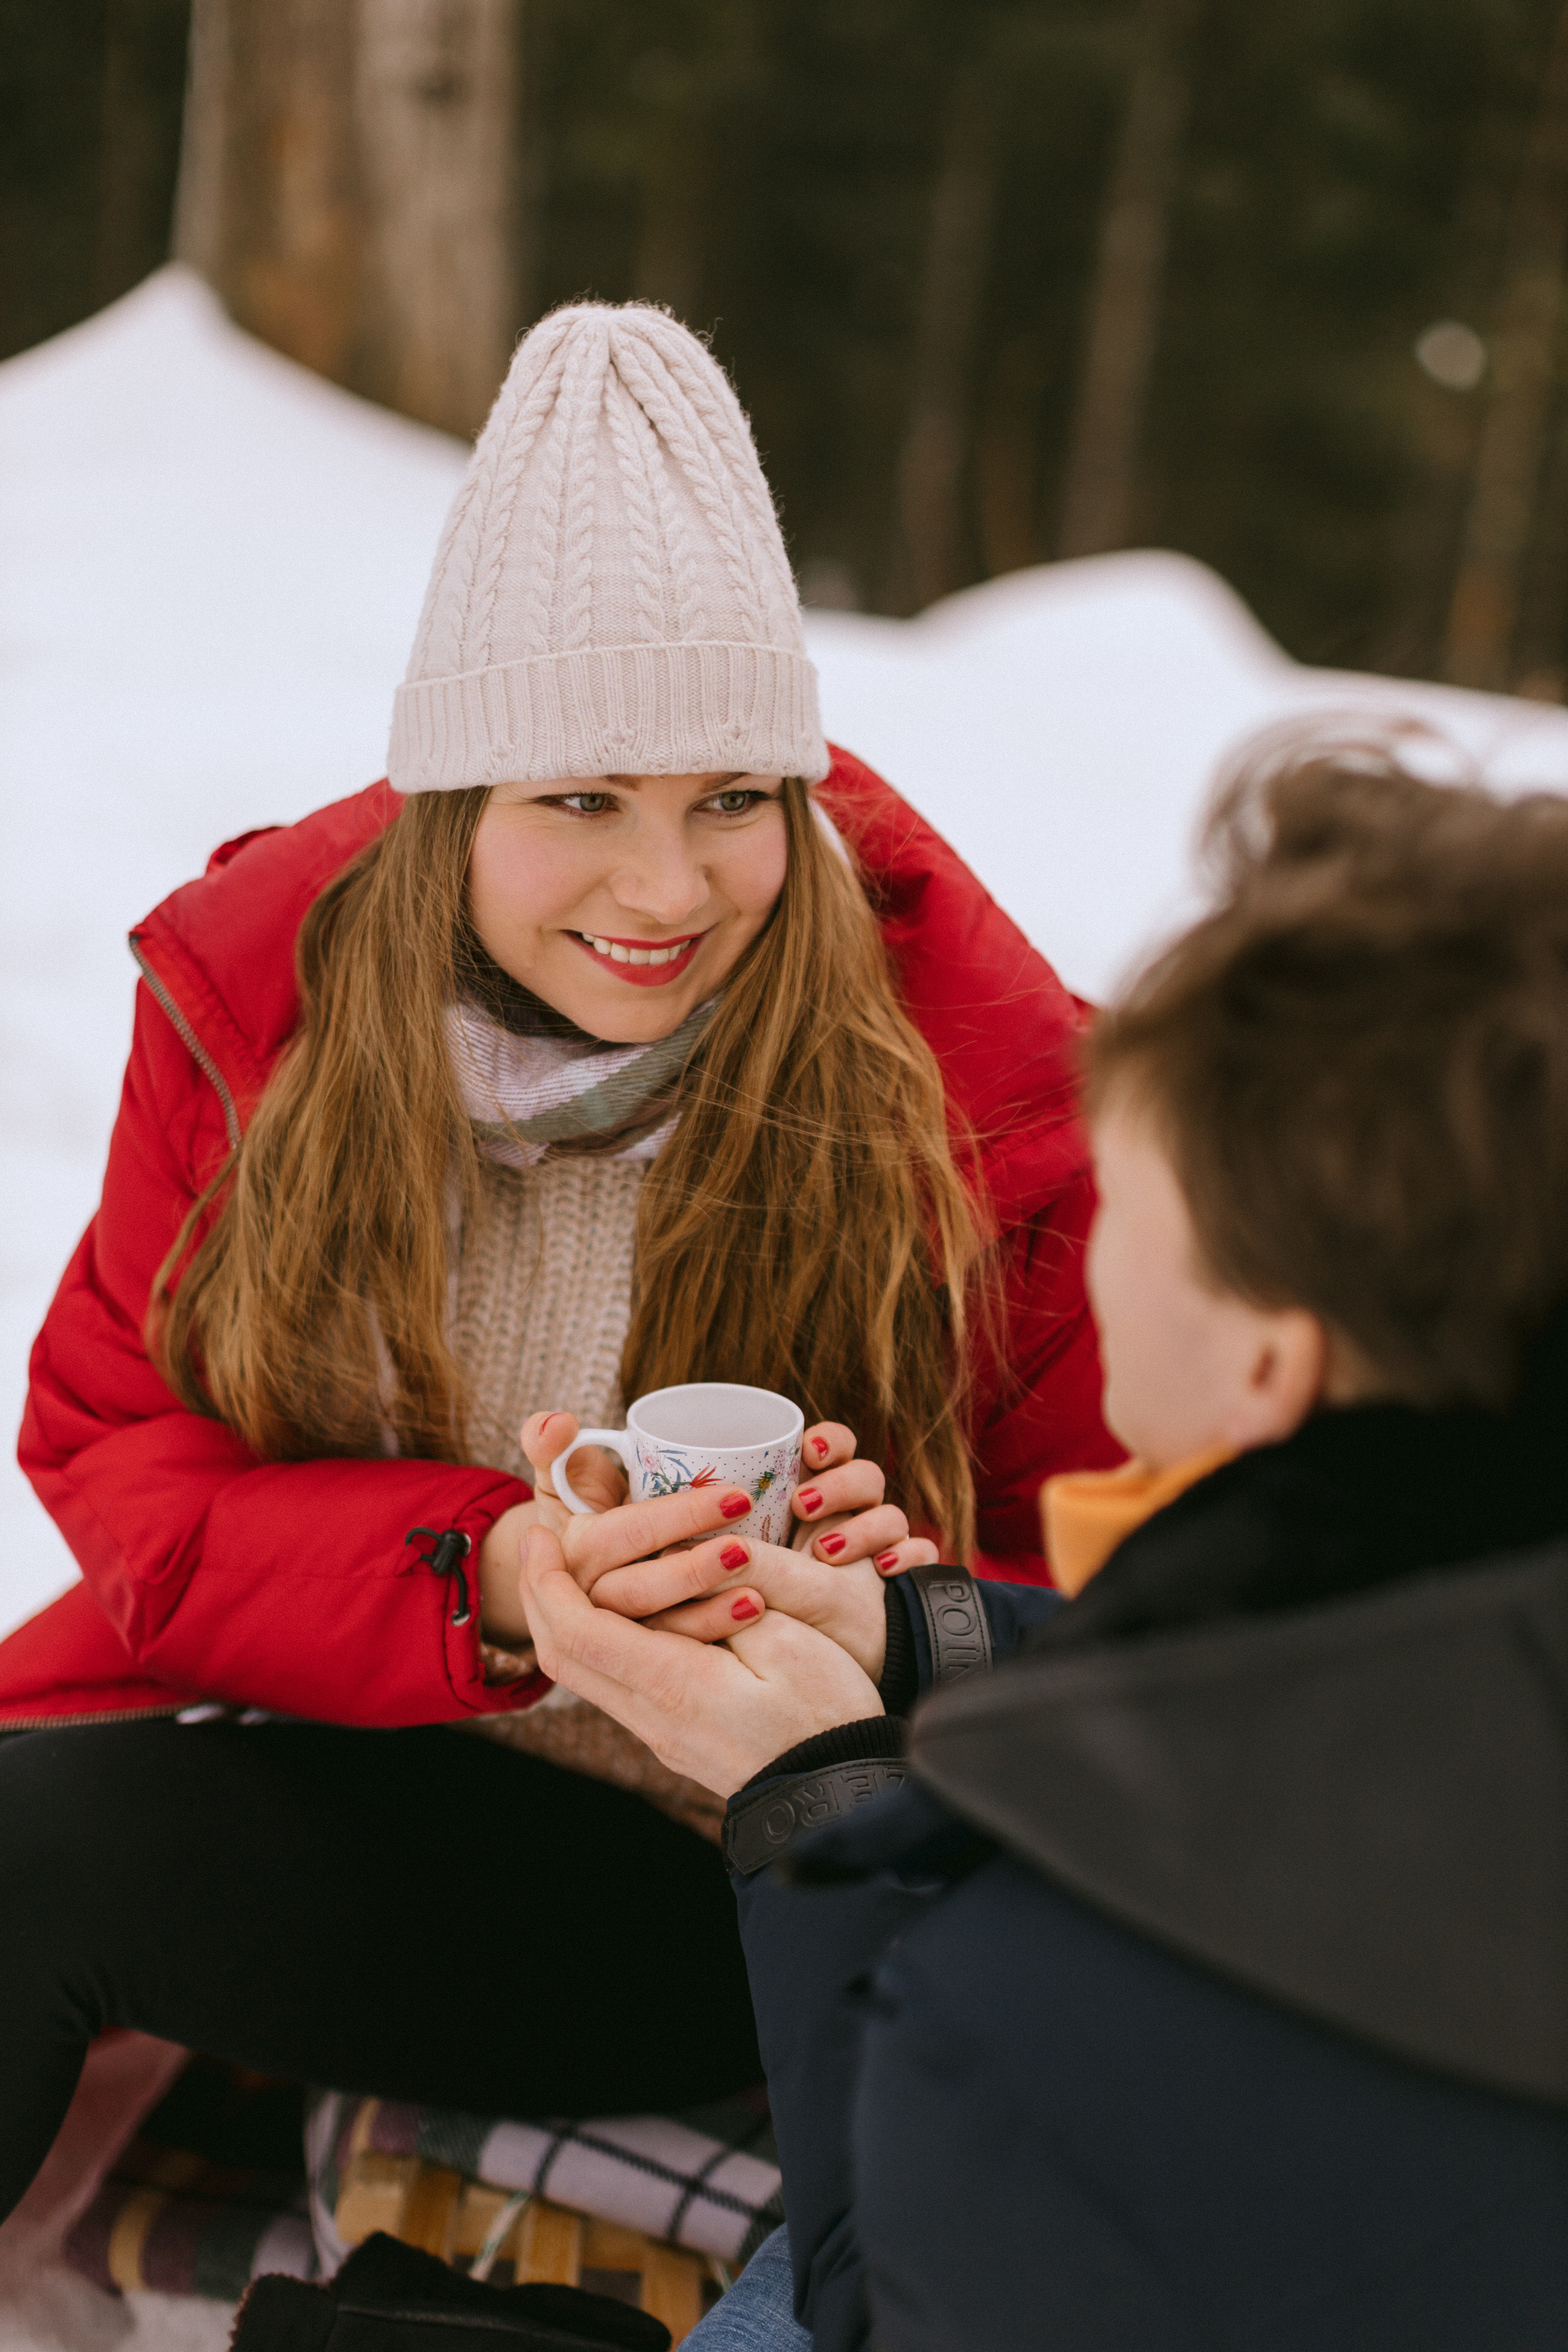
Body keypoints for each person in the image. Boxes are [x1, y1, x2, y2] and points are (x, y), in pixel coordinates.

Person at [0, 302, 1117, 2223]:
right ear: (456, 802)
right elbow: (126, 1460)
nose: (668, 891)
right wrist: (501, 1570)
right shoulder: (258, 1005)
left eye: (731, 799)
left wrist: (886, 1618)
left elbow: (1138, 1608)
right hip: (367, 1746)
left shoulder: (980, 1096)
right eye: (582, 799)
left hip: (757, 1876)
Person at [516, 737, 1568, 2350]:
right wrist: (922, 1638)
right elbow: (1363, 1713)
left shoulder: (1049, 1991)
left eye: (1126, 1202)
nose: (1087, 1249)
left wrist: (819, 1805)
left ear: (1270, 1361)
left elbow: (904, 2283)